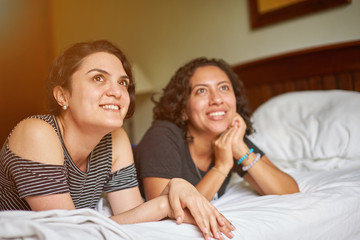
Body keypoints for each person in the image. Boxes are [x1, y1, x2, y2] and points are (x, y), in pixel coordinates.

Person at [0, 41, 235, 240]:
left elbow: (133, 217)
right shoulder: (37, 133)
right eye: (98, 78)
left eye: (122, 82)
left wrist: (177, 185)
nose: (117, 91)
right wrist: (163, 204)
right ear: (63, 95)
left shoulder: (116, 139)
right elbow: (68, 233)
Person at [135, 57, 300, 202]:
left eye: (224, 88)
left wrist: (241, 150)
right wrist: (221, 166)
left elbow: (289, 191)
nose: (217, 99)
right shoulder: (162, 136)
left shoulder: (230, 139)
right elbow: (165, 211)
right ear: (183, 109)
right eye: (201, 91)